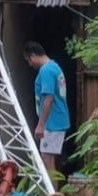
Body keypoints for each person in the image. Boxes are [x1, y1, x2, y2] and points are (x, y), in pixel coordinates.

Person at [23, 41, 70, 173]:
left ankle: (50, 193)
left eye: (28, 60)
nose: (29, 64)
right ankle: (54, 192)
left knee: (47, 162)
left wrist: (41, 124)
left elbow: (48, 98)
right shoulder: (54, 67)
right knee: (52, 161)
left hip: (52, 123)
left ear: (32, 56)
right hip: (57, 120)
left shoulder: (46, 70)